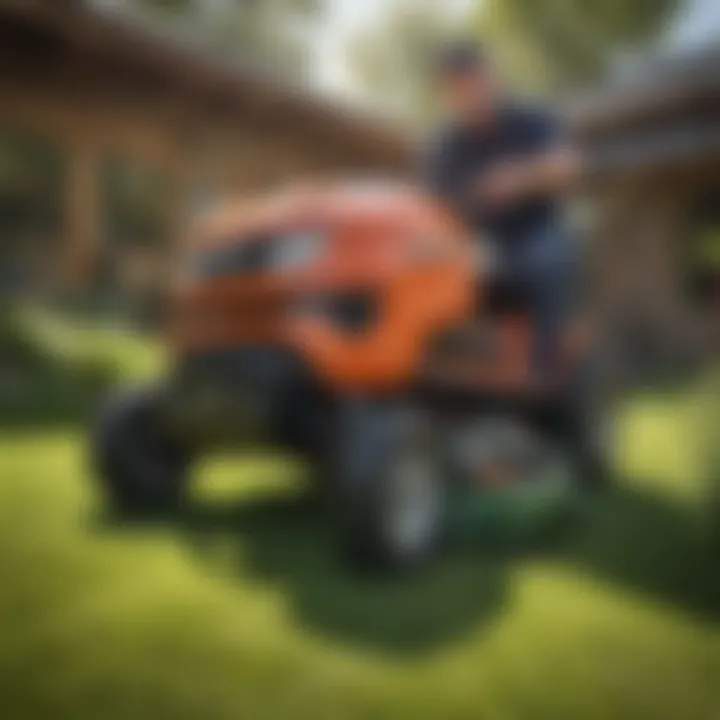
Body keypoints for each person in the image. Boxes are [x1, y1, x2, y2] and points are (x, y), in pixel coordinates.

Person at [423, 41, 584, 383]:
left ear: (491, 78)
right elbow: (431, 207)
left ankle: (543, 373)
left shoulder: (530, 120)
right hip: (476, 248)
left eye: (473, 81)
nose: (467, 92)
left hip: (534, 235)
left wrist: (521, 178)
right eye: (456, 86)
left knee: (548, 258)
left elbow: (568, 166)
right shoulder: (446, 147)